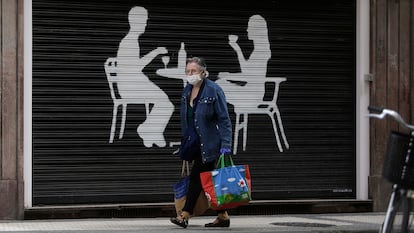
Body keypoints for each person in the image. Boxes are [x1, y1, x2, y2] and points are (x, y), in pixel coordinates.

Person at [170, 57, 233, 228]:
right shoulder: (187, 90)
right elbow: (186, 119)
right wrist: (185, 143)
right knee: (210, 180)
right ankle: (223, 216)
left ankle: (185, 214)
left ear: (203, 72)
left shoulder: (214, 90)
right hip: (194, 142)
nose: (190, 75)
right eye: (188, 71)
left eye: (194, 71)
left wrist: (226, 145)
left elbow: (224, 120)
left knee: (197, 178)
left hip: (210, 143)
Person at [116, 6, 173, 147]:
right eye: (145, 21)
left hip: (133, 82)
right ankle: (147, 130)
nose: (146, 24)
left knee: (165, 102)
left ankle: (150, 134)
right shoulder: (129, 42)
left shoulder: (131, 41)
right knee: (166, 103)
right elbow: (136, 67)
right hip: (130, 86)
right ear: (137, 21)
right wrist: (155, 52)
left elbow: (134, 66)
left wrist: (156, 51)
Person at [216, 14, 271, 109]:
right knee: (217, 85)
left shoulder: (262, 51)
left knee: (216, 87)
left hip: (252, 96)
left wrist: (228, 75)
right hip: (249, 93)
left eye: (249, 27)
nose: (247, 30)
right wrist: (237, 49)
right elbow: (246, 71)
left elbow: (250, 77)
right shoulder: (258, 50)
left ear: (257, 30)